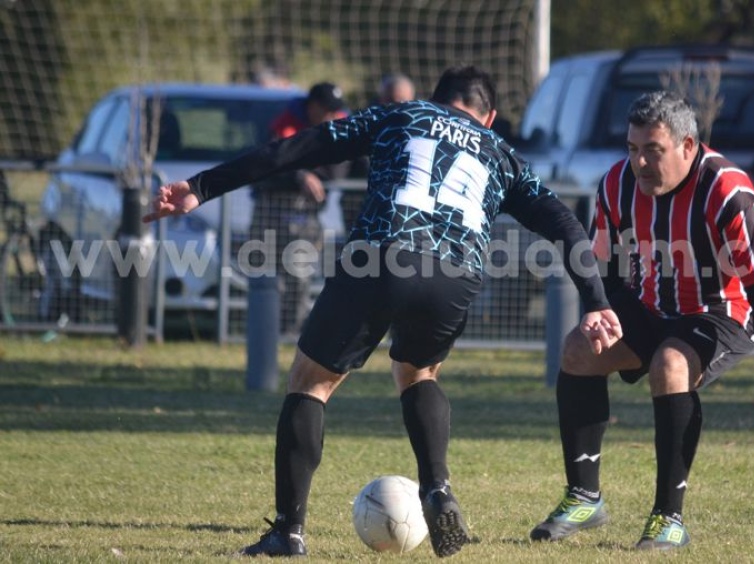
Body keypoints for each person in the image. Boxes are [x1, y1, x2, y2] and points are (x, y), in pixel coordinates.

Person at [143, 65, 622, 558]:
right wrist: (596, 301)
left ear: (436, 99)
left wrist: (202, 186)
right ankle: (436, 486)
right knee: (418, 373)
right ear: (490, 116)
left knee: (311, 382)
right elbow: (566, 224)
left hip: (382, 252)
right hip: (455, 273)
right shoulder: (503, 154)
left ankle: (288, 532)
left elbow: (297, 148)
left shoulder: (402, 114)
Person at [529, 91, 754, 551]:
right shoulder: (616, 183)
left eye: (653, 151)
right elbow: (608, 266)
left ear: (688, 146)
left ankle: (668, 520)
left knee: (670, 365)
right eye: (633, 149)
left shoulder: (726, 190)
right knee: (578, 349)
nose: (640, 162)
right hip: (650, 302)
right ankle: (583, 497)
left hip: (720, 312)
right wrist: (602, 317)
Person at [250, 82, 351, 334]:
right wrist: (300, 175)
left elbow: (336, 171)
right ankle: (261, 330)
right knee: (262, 270)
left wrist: (303, 169)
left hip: (305, 216)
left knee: (299, 275)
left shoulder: (337, 127)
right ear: (312, 106)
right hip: (271, 209)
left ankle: (290, 332)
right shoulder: (282, 126)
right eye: (327, 109)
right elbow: (270, 163)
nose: (331, 115)